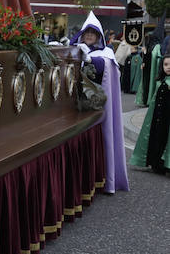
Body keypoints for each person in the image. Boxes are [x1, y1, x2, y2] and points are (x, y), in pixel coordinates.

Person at [73, 12, 128, 194]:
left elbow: (102, 66)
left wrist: (88, 59)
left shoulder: (106, 53)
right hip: (77, 109)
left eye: (93, 32)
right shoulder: (75, 49)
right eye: (86, 32)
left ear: (98, 35)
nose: (89, 35)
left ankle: (104, 179)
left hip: (97, 111)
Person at [130, 53, 170, 174]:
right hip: (158, 118)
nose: (168, 67)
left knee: (165, 140)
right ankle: (155, 162)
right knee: (156, 139)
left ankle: (164, 164)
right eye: (166, 64)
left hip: (167, 120)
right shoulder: (160, 82)